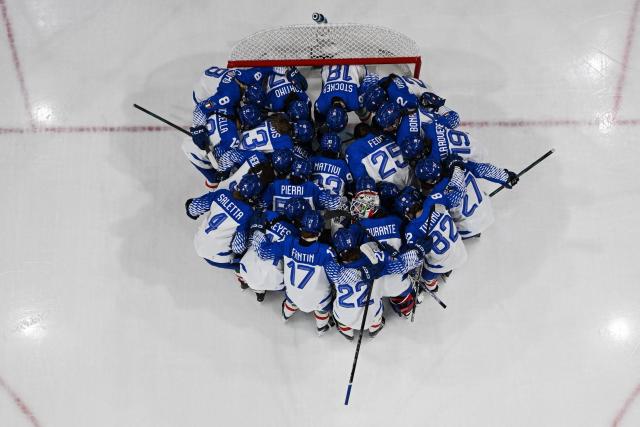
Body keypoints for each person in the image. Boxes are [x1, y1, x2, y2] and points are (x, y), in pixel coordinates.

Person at [331, 228, 431, 339]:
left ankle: (346, 330)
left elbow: (333, 273)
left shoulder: (336, 270)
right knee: (376, 311)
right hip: (371, 317)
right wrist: (418, 252)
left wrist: (359, 273)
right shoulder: (374, 262)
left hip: (344, 316)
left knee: (339, 310)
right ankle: (375, 328)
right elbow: (400, 265)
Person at [185, 174, 262, 270]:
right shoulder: (248, 212)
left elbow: (192, 209)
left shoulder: (222, 193)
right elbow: (238, 248)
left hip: (198, 242)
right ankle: (241, 275)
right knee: (250, 255)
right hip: (218, 258)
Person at [345, 123, 411, 189]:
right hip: (411, 178)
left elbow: (360, 178)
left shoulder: (354, 148)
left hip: (389, 190)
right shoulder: (386, 135)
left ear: (357, 138)